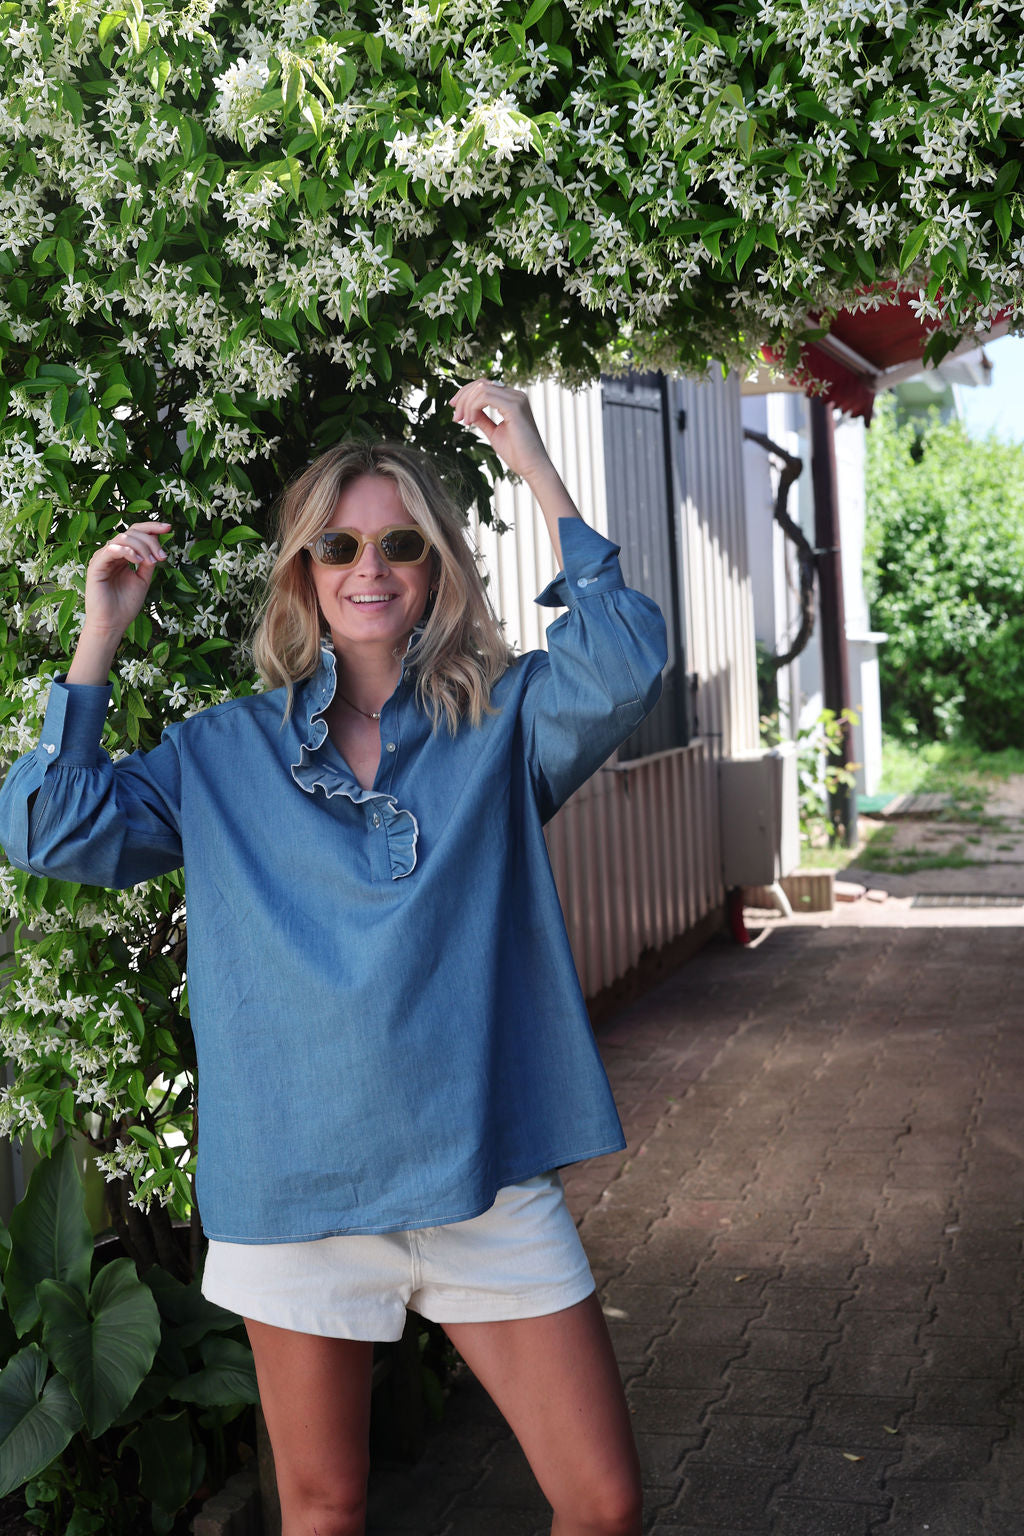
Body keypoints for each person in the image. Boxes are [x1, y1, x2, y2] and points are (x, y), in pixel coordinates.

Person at [0, 380, 667, 1536]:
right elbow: (49, 828)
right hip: (298, 1189)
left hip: (481, 1173)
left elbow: (620, 658)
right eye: (339, 545)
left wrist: (535, 466)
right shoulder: (221, 753)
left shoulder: (500, 723)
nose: (371, 567)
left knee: (602, 1503)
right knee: (321, 1510)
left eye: (402, 544)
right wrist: (98, 631)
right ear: (302, 571)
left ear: (436, 570)